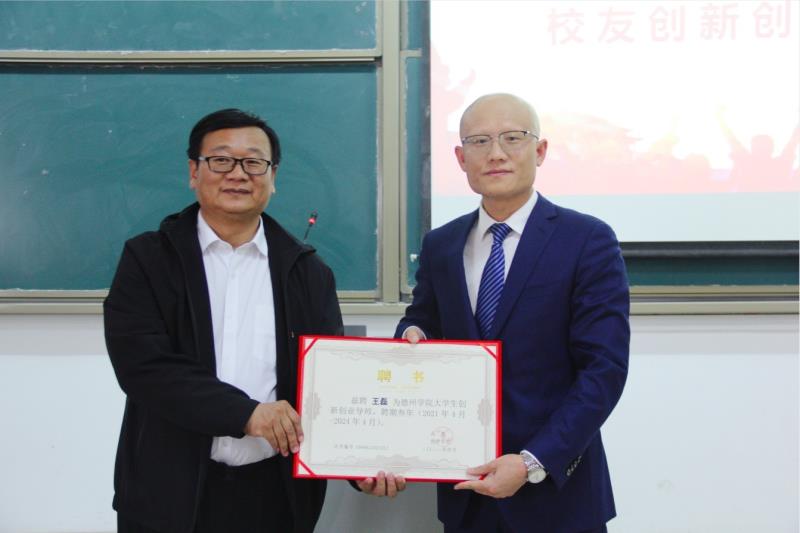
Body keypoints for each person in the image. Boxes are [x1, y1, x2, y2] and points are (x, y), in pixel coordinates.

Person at [395, 93, 630, 532]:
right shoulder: (441, 245)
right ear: (461, 158)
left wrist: (532, 461)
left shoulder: (586, 239)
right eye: (480, 141)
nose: (496, 153)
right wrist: (412, 334)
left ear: (540, 150)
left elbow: (604, 370)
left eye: (512, 138)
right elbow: (422, 319)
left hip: (556, 495)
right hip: (466, 489)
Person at [104, 108, 343, 533]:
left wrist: (364, 465)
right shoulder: (148, 259)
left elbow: (328, 384)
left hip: (275, 499)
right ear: (193, 172)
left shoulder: (308, 273)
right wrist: (246, 414)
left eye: (253, 162)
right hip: (168, 494)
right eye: (220, 160)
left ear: (273, 176)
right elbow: (144, 367)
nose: (238, 173)